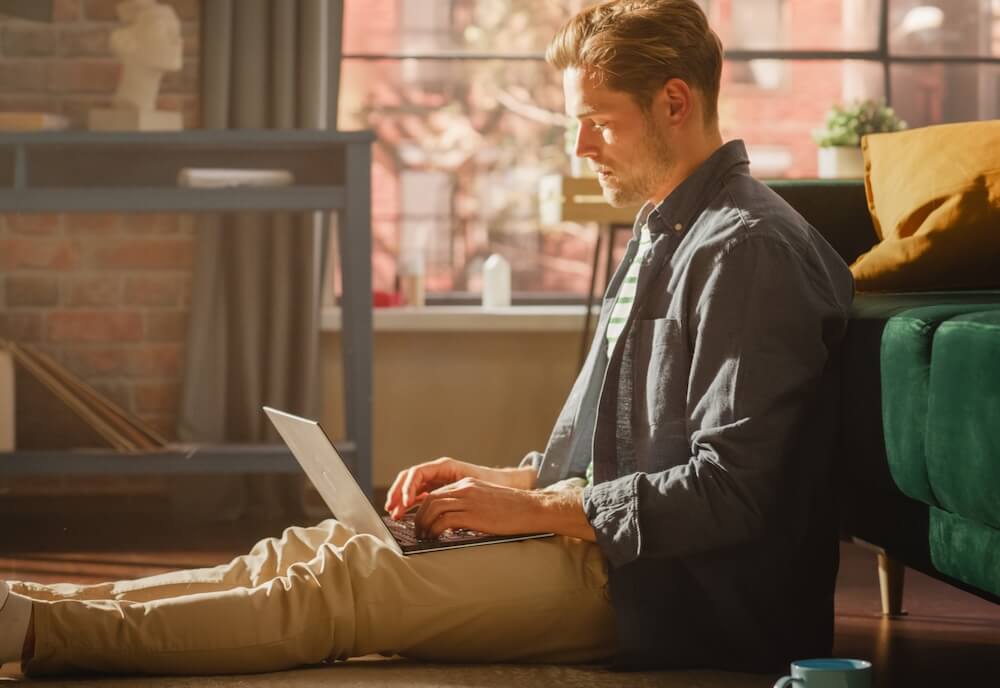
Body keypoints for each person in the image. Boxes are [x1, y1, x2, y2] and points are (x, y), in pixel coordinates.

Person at [0, 0, 853, 677]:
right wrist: (502, 480)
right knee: (325, 542)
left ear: (675, 100)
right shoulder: (663, 230)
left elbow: (730, 495)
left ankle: (35, 630)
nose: (578, 145)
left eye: (597, 120)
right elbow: (619, 457)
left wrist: (528, 510)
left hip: (663, 590)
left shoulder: (750, 250)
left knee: (346, 584)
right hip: (599, 545)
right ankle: (29, 603)